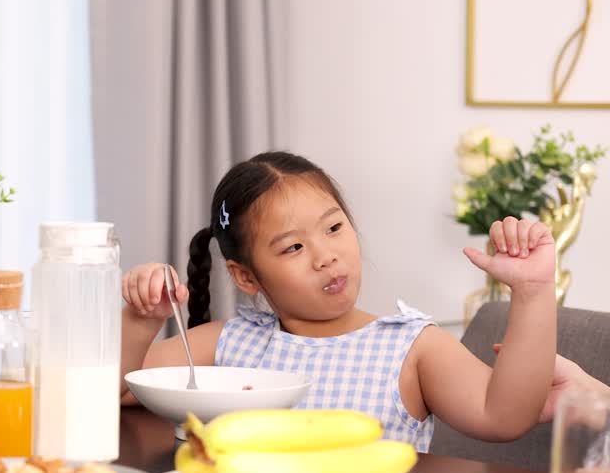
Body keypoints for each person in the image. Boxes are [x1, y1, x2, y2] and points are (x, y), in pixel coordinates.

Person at [121, 151, 557, 451]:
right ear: (246, 276)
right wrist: (140, 321)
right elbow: (116, 392)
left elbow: (504, 416)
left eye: (333, 228)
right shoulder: (227, 345)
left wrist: (533, 292)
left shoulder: (411, 347)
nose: (326, 256)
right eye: (293, 247)